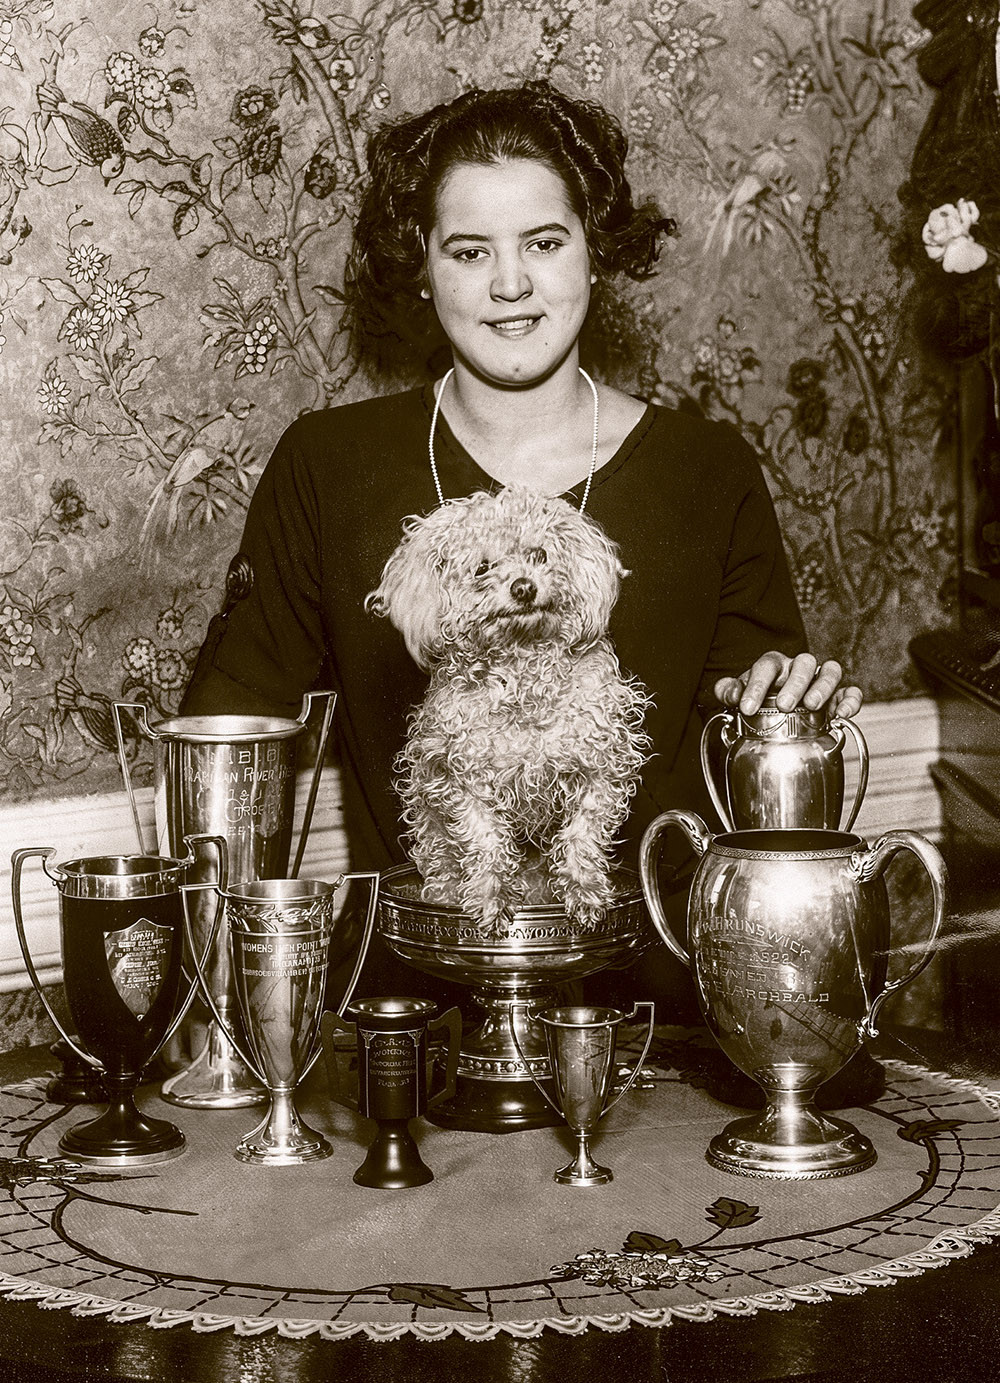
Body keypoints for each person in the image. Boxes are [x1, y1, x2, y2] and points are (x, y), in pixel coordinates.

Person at [180, 80, 863, 1027]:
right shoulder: (326, 466)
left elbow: (755, 770)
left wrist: (788, 705)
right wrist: (220, 1019)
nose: (510, 284)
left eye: (544, 242)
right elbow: (224, 734)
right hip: (409, 1020)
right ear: (422, 269)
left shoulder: (710, 471)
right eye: (470, 251)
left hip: (667, 1018)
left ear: (595, 252)